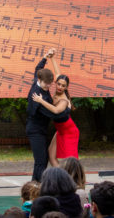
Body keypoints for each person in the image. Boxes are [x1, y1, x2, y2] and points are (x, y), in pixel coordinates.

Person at [26, 49, 69, 182]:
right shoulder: (37, 98)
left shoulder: (37, 81)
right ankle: (37, 186)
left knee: (43, 159)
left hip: (41, 130)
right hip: (35, 131)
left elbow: (38, 68)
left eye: (50, 84)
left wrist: (45, 57)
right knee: (41, 161)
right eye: (46, 84)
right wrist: (67, 109)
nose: (48, 87)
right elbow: (54, 115)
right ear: (40, 80)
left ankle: (35, 185)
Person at [32, 51, 80, 166]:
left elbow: (56, 111)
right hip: (60, 130)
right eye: (58, 84)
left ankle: (75, 179)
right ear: (56, 83)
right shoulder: (58, 85)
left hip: (69, 132)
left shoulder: (63, 100)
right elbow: (58, 72)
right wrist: (52, 58)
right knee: (51, 155)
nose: (60, 87)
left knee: (71, 162)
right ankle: (61, 177)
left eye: (63, 86)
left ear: (66, 87)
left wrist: (41, 100)